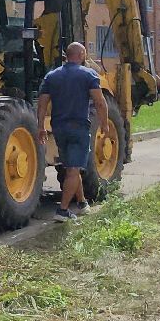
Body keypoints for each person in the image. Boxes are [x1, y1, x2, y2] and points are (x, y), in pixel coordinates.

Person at [36, 41, 110, 220]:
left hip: (59, 129)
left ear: (66, 56)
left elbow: (43, 103)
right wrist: (105, 124)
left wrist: (40, 127)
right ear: (82, 54)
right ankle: (62, 210)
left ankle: (82, 202)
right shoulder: (89, 74)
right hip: (79, 128)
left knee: (71, 167)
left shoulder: (51, 76)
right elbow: (100, 102)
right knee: (73, 170)